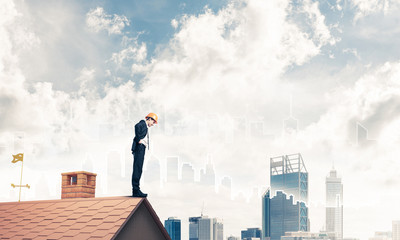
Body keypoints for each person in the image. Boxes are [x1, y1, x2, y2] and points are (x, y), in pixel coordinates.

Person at [131, 113, 158, 197]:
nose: (153, 124)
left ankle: (136, 189)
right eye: (153, 122)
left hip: (142, 148)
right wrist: (138, 139)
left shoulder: (145, 126)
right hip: (139, 147)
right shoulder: (142, 123)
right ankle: (136, 190)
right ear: (150, 119)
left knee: (139, 168)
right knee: (137, 168)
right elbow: (136, 126)